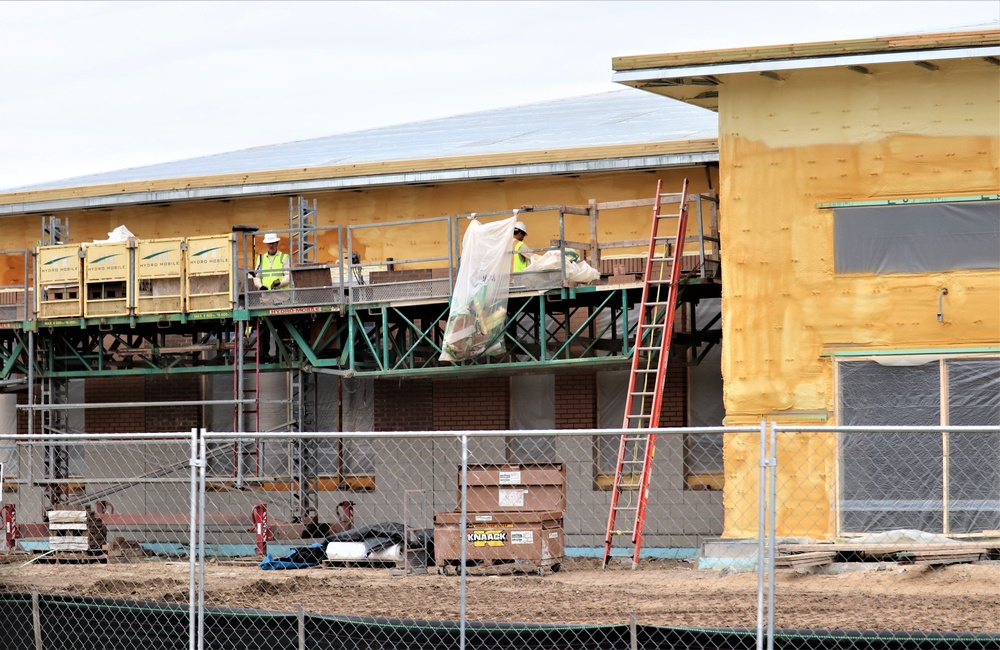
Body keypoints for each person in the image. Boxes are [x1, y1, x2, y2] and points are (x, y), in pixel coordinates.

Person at [250, 232, 290, 361]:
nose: (271, 245)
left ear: (277, 243)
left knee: (282, 327)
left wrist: (280, 284)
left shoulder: (284, 257)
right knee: (264, 327)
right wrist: (260, 286)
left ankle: (280, 355)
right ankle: (263, 355)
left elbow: (288, 276)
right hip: (267, 299)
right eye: (269, 243)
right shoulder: (261, 259)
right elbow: (256, 276)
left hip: (282, 299)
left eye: (273, 243)